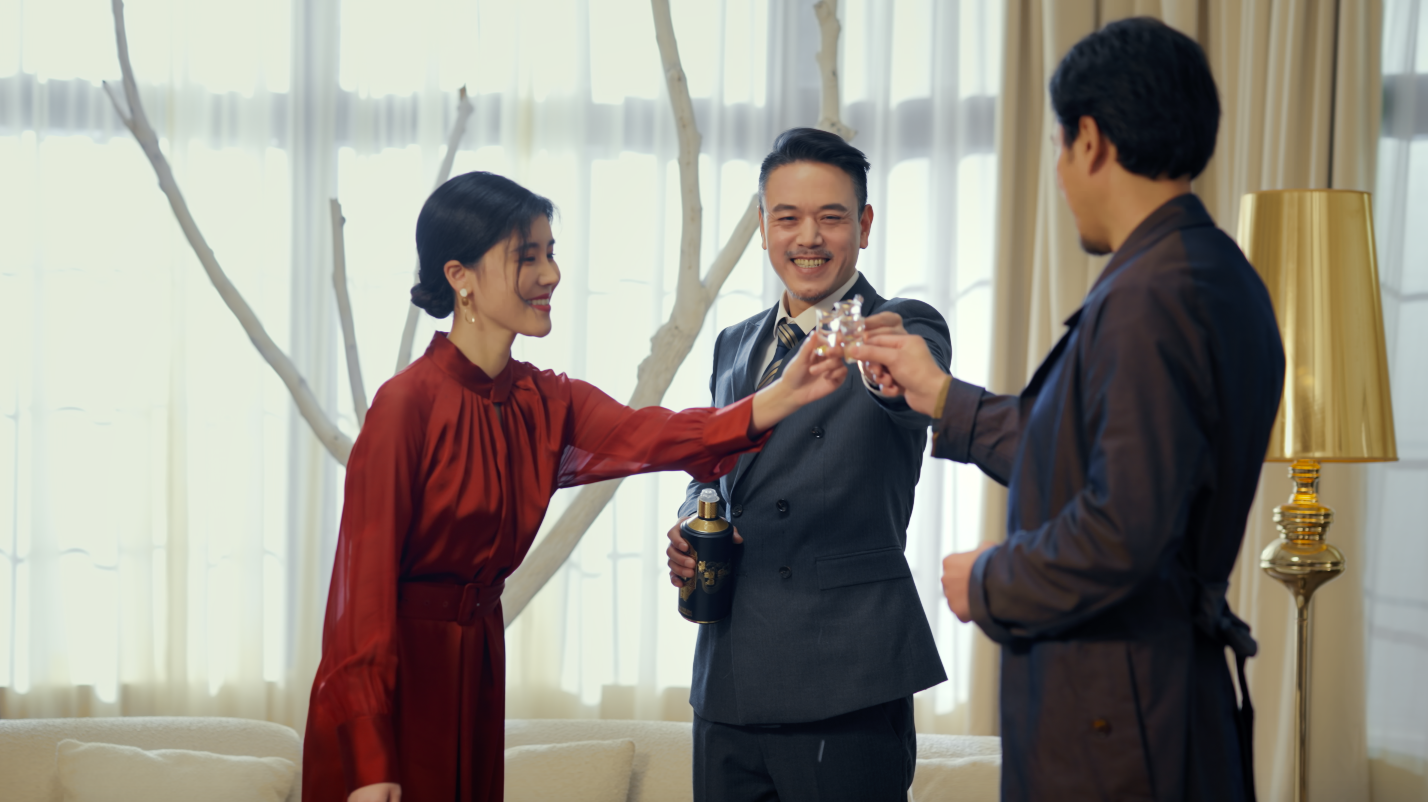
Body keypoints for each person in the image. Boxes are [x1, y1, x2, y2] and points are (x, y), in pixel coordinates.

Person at [303, 171, 849, 802]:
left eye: (551, 253)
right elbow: (360, 601)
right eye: (527, 257)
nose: (552, 274)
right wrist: (371, 761)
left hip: (476, 668)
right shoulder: (406, 406)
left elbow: (659, 435)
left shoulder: (546, 400)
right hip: (394, 689)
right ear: (460, 276)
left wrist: (782, 395)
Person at [848, 18, 1284, 802]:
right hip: (1148, 710)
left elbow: (1123, 530)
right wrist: (942, 396)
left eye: (1057, 146)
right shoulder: (1208, 272)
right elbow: (1094, 455)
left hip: (1119, 732)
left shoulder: (1153, 297)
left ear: (1090, 141)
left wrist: (989, 579)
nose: (1058, 173)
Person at [664, 128, 949, 802]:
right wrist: (693, 522)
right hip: (729, 674)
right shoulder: (735, 342)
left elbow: (909, 392)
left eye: (831, 217)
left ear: (865, 225)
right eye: (787, 217)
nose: (808, 238)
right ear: (763, 226)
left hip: (845, 673)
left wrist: (886, 375)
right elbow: (713, 467)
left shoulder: (901, 324)